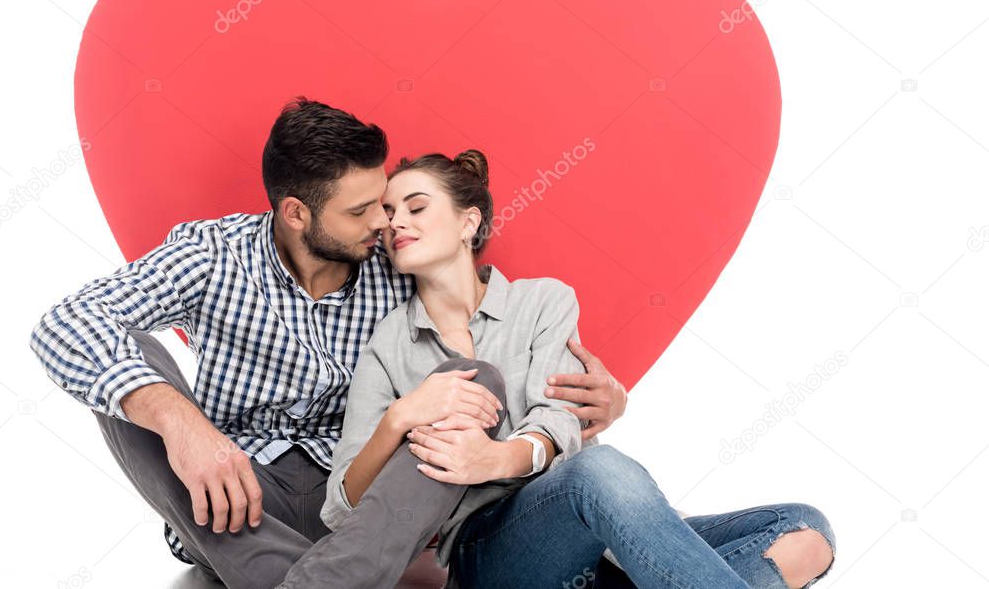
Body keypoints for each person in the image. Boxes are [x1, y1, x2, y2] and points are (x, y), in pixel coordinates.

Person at [28, 97, 627, 589]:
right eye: (364, 209)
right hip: (232, 491)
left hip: (364, 501)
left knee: (472, 378)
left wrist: (599, 401)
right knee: (127, 369)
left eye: (387, 203)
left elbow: (490, 332)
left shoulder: (396, 263)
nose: (386, 224)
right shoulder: (214, 253)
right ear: (296, 213)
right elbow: (65, 323)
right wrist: (187, 430)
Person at [278, 150, 837, 589]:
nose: (397, 222)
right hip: (489, 552)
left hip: (595, 540)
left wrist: (495, 457)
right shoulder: (388, 344)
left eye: (417, 207)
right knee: (602, 471)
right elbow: (339, 508)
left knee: (805, 531)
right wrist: (399, 417)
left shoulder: (543, 302)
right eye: (391, 213)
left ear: (469, 221)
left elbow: (561, 420)